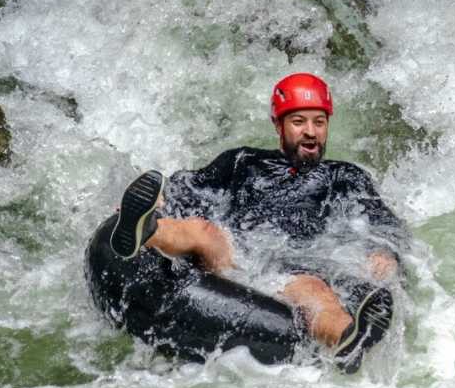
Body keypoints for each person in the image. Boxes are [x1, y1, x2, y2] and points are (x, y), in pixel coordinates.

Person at [105, 72, 407, 368]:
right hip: (233, 257)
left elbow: (382, 221)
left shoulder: (345, 176)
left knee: (313, 290)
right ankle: (142, 228)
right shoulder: (242, 161)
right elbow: (191, 189)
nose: (311, 132)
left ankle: (347, 340)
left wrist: (384, 252)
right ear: (278, 125)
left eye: (319, 122)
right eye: (299, 122)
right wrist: (164, 198)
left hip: (287, 275)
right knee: (204, 230)